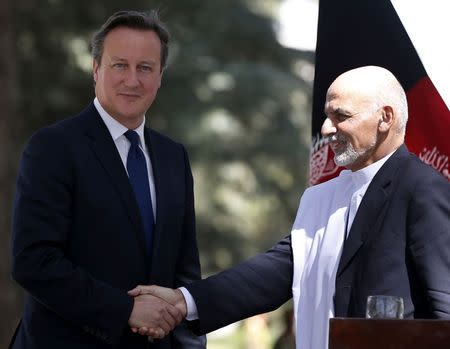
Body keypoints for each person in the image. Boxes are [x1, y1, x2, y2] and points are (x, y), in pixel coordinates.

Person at [128, 66, 450, 348]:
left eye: (341, 116)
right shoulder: (320, 196)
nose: (326, 128)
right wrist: (184, 301)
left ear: (385, 118)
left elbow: (445, 311)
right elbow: (273, 274)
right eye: (327, 114)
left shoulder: (423, 189)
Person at [10, 10, 205, 349]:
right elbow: (34, 262)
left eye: (145, 67)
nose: (132, 80)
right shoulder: (52, 148)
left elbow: (185, 271)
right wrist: (125, 309)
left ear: (160, 76)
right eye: (120, 65)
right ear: (96, 68)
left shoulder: (174, 157)